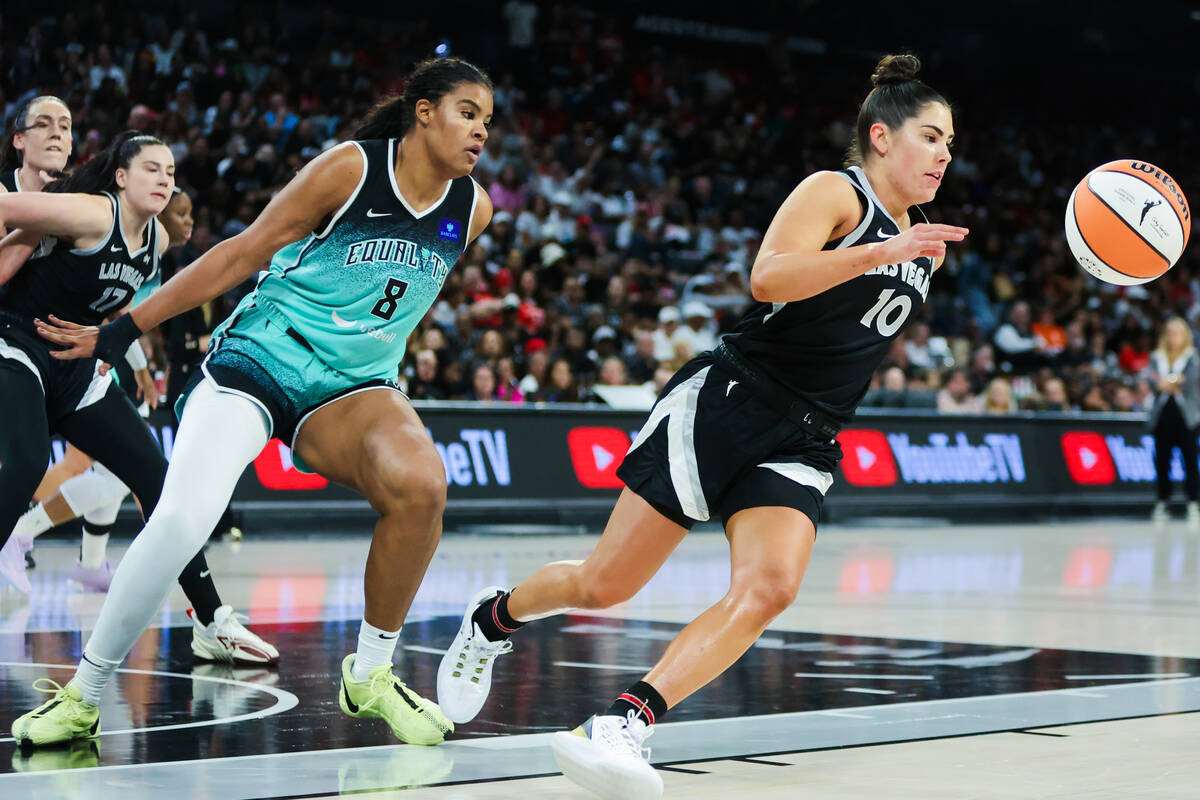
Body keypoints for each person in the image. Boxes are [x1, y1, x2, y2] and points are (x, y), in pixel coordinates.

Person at [435, 54, 965, 800]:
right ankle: (492, 619)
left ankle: (622, 724)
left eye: (951, 142)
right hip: (730, 400)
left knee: (771, 588)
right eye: (933, 136)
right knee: (604, 583)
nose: (946, 153)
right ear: (882, 136)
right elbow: (769, 276)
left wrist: (899, 251)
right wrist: (883, 251)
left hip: (806, 434)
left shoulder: (921, 241)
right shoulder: (835, 193)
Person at [15, 56, 495, 748]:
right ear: (424, 112)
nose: (480, 132)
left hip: (351, 386)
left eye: (487, 121)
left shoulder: (470, 208)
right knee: (182, 520)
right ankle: (85, 693)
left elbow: (397, 296)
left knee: (423, 484)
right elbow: (242, 253)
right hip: (261, 358)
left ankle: (372, 671)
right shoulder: (353, 170)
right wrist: (122, 332)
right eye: (467, 112)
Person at [0, 129, 275, 657]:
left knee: (158, 479)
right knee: (27, 462)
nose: (165, 180)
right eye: (152, 168)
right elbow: (10, 207)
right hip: (18, 344)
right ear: (121, 177)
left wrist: (109, 351)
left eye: (171, 172)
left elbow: (106, 310)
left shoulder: (158, 243)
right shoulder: (92, 214)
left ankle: (211, 622)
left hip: (77, 368)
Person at [1146, 317, 1200, 524]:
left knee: (1190, 462)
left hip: (1186, 418)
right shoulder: (1156, 357)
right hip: (1162, 417)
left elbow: (1188, 383)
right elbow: (1151, 380)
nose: (1172, 337)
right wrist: (1173, 381)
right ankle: (1162, 501)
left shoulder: (1192, 357)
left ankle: (1193, 502)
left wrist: (1165, 382)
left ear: (1184, 336)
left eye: (1177, 333)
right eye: (1169, 333)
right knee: (1161, 461)